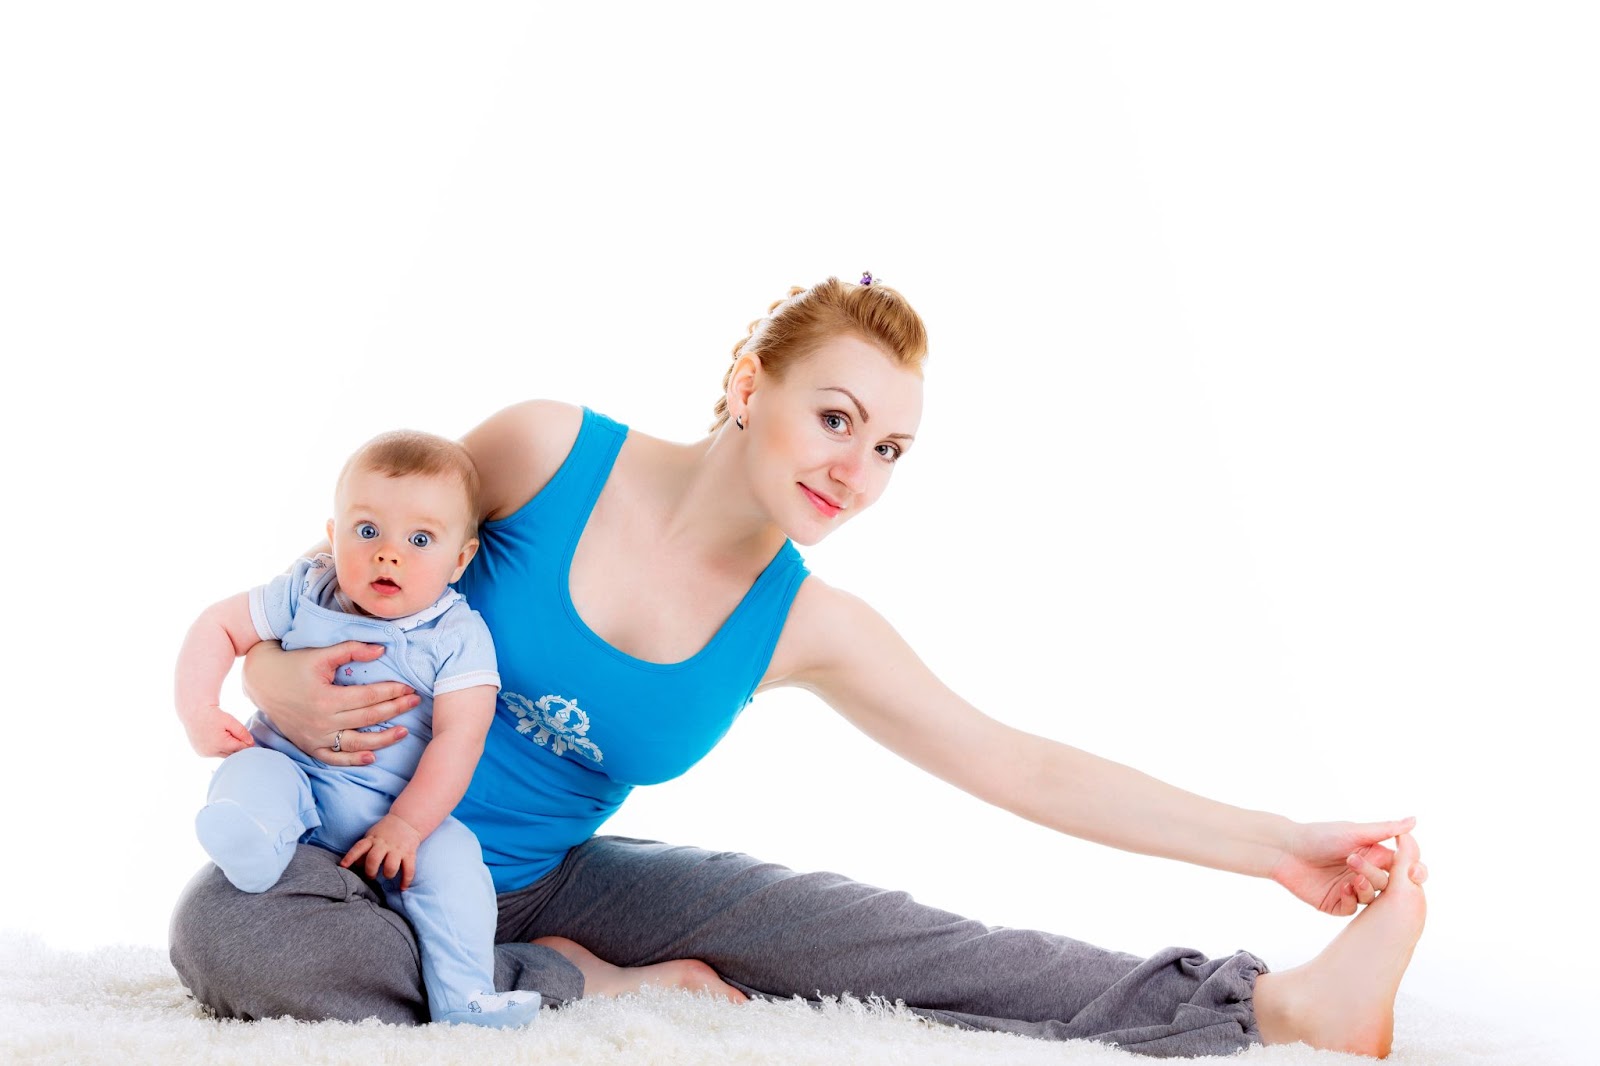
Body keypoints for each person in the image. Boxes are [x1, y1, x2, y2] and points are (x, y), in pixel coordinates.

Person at [170, 277, 1428, 1058]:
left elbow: (1018, 764)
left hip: (541, 880)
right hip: (342, 864)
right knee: (226, 936)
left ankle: (1270, 1013)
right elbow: (369, 548)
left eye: (890, 448)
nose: (856, 469)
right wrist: (270, 673)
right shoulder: (544, 452)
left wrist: (1273, 843)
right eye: (836, 417)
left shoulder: (808, 625)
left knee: (888, 939)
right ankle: (583, 990)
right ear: (744, 384)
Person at [174, 430, 544, 1028]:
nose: (387, 554)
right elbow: (218, 626)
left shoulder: (458, 637)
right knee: (251, 769)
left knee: (454, 862)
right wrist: (198, 710)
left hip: (390, 813)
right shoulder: (307, 587)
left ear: (460, 559)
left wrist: (408, 824)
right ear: (333, 535)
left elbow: (460, 738)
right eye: (367, 531)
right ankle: (253, 844)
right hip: (292, 770)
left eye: (419, 539)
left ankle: (466, 996)